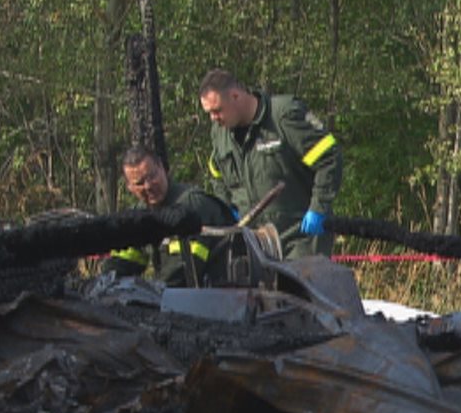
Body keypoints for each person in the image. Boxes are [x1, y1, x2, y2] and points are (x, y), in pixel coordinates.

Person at [198, 69, 342, 259]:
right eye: (209, 113)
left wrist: (319, 207)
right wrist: (227, 207)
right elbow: (216, 172)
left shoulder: (283, 116)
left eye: (217, 110)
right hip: (256, 247)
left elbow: (329, 158)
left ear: (235, 96)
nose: (213, 118)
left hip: (300, 241)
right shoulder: (220, 133)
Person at [104, 146, 236, 286]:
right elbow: (124, 259)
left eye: (152, 176)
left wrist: (153, 293)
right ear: (129, 187)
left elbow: (182, 271)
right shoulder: (141, 213)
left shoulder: (192, 204)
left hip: (218, 295)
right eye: (140, 183)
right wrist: (105, 283)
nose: (148, 186)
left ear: (162, 168)